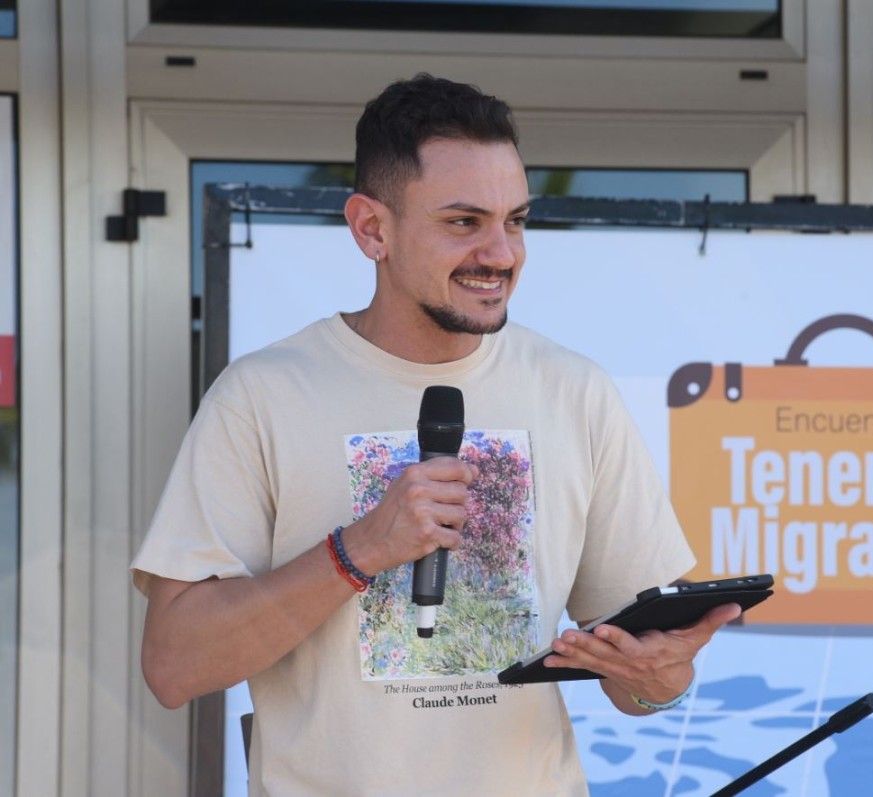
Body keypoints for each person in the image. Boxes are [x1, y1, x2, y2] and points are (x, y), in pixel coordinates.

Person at [133, 73, 740, 796]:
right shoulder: (263, 395)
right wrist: (359, 549)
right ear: (371, 229)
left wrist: (661, 674)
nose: (502, 252)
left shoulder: (575, 391)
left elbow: (636, 680)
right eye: (464, 221)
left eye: (515, 220)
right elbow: (175, 666)